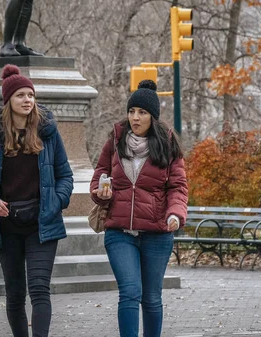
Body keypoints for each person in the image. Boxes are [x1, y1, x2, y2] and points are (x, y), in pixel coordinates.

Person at [0, 64, 73, 337]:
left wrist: (57, 201)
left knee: (40, 288)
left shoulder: (48, 132)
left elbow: (65, 175)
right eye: (21, 95)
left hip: (42, 223)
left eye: (30, 95)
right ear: (8, 101)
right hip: (6, 225)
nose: (28, 100)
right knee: (15, 294)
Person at [90, 80, 188, 337]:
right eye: (132, 111)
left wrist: (175, 213)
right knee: (130, 292)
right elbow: (99, 174)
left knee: (152, 298)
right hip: (120, 232)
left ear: (152, 117)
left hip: (157, 232)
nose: (135, 117)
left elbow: (178, 187)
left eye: (142, 112)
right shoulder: (115, 140)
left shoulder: (167, 145)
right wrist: (100, 192)